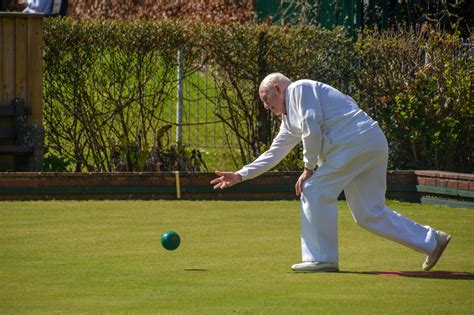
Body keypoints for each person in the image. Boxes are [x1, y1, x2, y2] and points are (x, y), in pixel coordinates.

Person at [210, 72, 451, 272]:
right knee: (369, 213)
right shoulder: (289, 119)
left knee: (313, 188)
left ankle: (322, 259)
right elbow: (275, 152)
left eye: (265, 98)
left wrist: (308, 169)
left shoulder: (299, 89)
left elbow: (312, 129)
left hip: (354, 142)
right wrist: (241, 174)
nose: (265, 105)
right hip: (369, 143)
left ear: (277, 88)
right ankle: (432, 241)